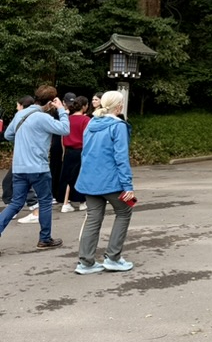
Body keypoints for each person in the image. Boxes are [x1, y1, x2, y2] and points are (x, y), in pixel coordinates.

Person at [74, 90, 136, 274]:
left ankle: (86, 262)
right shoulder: (118, 126)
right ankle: (113, 258)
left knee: (93, 217)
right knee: (125, 210)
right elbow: (121, 158)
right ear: (119, 106)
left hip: (89, 180)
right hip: (112, 181)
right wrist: (128, 186)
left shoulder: (91, 123)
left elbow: (85, 152)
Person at [0, 85, 67, 250]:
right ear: (50, 102)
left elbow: (8, 135)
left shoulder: (21, 114)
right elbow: (65, 129)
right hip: (38, 167)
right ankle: (45, 238)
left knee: (16, 203)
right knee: (45, 202)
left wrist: (24, 140)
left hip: (19, 167)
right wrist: (61, 110)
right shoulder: (43, 118)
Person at [61, 96, 89, 212]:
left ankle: (65, 202)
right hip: (81, 150)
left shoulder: (67, 119)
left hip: (68, 150)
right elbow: (87, 137)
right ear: (84, 106)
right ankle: (82, 201)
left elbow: (63, 136)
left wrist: (63, 152)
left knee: (68, 176)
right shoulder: (86, 120)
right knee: (80, 176)